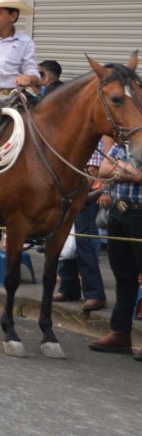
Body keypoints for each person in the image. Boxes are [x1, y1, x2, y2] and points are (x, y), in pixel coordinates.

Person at [87, 142, 142, 360]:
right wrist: (131, 172)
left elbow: (115, 170)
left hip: (140, 213)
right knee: (123, 276)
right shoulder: (125, 141)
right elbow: (104, 170)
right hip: (119, 213)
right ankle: (120, 333)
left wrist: (120, 168)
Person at [55, 144, 107, 311]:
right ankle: (68, 287)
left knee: (85, 243)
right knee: (66, 241)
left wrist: (79, 195)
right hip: (69, 191)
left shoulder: (93, 135)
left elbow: (93, 170)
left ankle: (94, 294)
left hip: (85, 194)